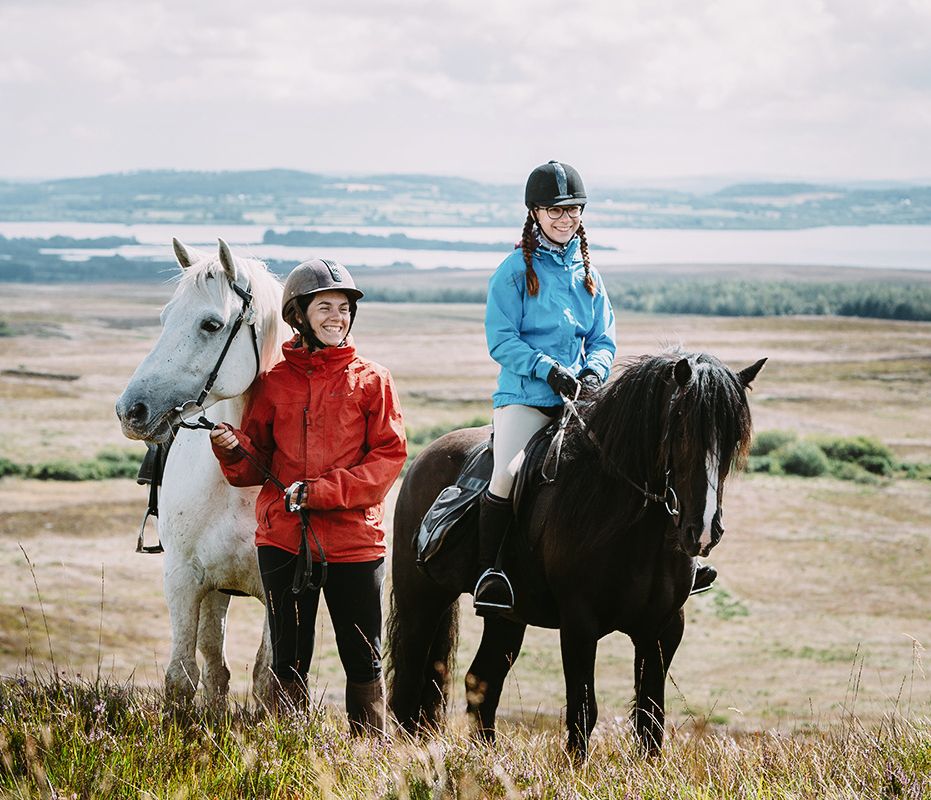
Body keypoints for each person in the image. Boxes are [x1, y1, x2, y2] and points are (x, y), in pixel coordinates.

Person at [209, 258, 407, 734]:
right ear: (298, 315)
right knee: (289, 660)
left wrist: (319, 492)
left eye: (344, 308)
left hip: (354, 544)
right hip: (283, 542)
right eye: (325, 307)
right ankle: (289, 754)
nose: (337, 316)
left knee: (364, 660)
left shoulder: (373, 380)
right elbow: (251, 466)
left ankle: (369, 756)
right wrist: (232, 449)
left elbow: (388, 460)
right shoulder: (274, 382)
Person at [475, 160, 617, 615]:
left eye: (572, 209)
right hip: (527, 397)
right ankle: (490, 571)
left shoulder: (589, 273)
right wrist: (547, 369)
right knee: (508, 473)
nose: (564, 218)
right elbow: (501, 339)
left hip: (581, 398)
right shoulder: (513, 271)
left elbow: (603, 338)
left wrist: (594, 370)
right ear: (534, 213)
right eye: (554, 210)